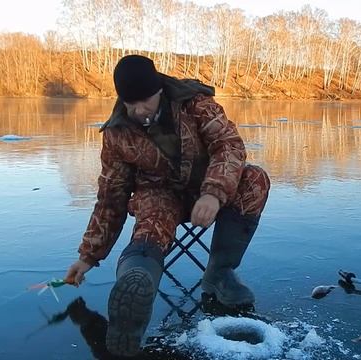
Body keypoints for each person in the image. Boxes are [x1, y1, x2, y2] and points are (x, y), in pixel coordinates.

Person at [65, 54, 270, 358]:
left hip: (207, 190)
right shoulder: (117, 133)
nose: (137, 110)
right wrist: (88, 256)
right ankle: (136, 284)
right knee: (151, 210)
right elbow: (111, 197)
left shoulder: (195, 103)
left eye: (144, 100)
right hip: (159, 196)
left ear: (159, 89)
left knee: (255, 179)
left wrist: (213, 192)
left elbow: (229, 145)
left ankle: (220, 274)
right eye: (129, 102)